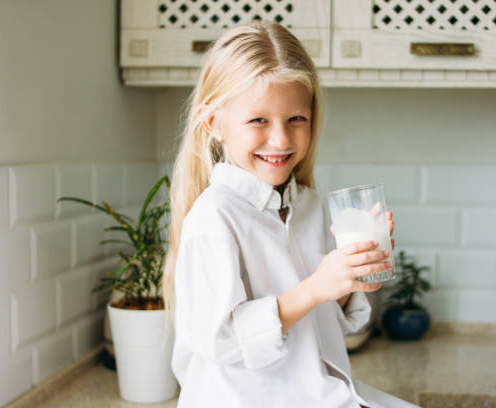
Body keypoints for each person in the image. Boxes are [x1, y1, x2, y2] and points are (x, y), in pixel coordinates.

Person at [162, 21, 419, 408]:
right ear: (214, 123)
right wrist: (317, 285)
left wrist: (350, 276)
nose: (280, 139)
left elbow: (328, 325)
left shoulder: (310, 207)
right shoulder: (214, 217)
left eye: (296, 118)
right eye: (258, 120)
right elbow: (223, 341)